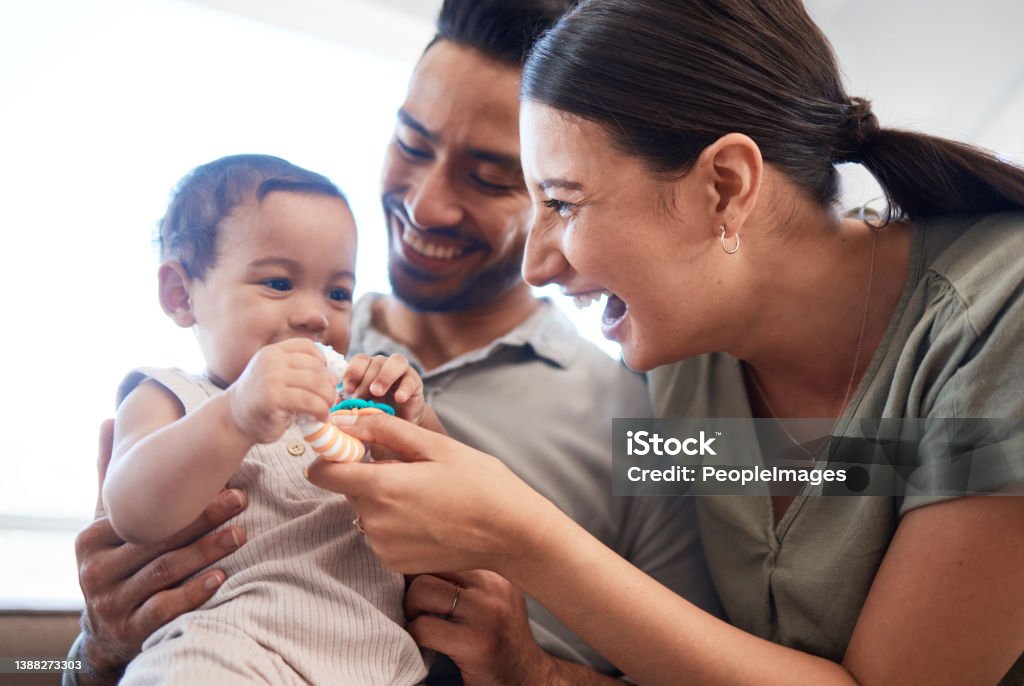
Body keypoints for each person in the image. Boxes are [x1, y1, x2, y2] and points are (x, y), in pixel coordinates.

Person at [305, 0, 1024, 683]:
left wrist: (520, 535)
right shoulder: (682, 372)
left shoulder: (998, 319)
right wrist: (531, 668)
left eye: (562, 201)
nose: (537, 265)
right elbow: (851, 474)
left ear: (724, 186)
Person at [69, 2, 720, 684]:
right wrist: (101, 648)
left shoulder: (639, 415)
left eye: (491, 176)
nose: (426, 206)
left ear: (556, 196)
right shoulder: (256, 356)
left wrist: (529, 669)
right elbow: (114, 618)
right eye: (412, 145)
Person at [98, 153, 439, 684]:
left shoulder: (351, 409)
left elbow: (445, 502)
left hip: (382, 664)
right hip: (231, 651)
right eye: (279, 283)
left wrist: (415, 424)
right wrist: (234, 415)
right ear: (180, 293)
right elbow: (133, 512)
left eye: (338, 293)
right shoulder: (172, 396)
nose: (315, 314)